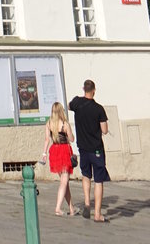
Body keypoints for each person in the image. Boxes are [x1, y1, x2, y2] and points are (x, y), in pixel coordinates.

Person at [69, 79, 110, 222]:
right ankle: (97, 214)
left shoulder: (77, 103)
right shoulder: (99, 109)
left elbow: (68, 106)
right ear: (94, 90)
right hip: (96, 149)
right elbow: (104, 130)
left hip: (83, 147)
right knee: (98, 180)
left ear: (83, 89)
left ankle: (87, 203)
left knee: (86, 175)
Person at [41, 101, 77, 216]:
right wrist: (69, 133)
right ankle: (58, 208)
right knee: (64, 182)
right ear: (61, 111)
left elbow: (47, 140)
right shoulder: (64, 124)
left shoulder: (49, 123)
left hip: (54, 151)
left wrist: (44, 154)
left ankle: (71, 208)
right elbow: (72, 139)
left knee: (64, 182)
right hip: (64, 151)